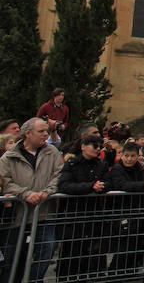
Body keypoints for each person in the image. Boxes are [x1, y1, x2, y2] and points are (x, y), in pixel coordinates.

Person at [0, 118, 61, 283]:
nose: (46, 134)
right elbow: (5, 181)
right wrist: (25, 194)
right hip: (18, 216)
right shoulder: (9, 156)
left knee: (46, 251)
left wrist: (46, 192)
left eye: (47, 131)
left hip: (44, 213)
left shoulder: (52, 152)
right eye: (41, 131)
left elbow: (59, 175)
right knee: (12, 259)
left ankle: (34, 280)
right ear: (28, 133)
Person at [56, 135, 110, 279]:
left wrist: (102, 186)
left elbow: (109, 181)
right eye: (94, 146)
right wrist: (90, 186)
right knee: (71, 255)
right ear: (83, 146)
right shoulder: (72, 163)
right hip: (74, 216)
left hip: (94, 215)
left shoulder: (101, 164)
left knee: (91, 254)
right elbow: (64, 185)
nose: (98, 149)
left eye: (100, 147)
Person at [106, 141, 144, 275]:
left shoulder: (139, 169)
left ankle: (126, 272)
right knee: (123, 248)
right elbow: (121, 185)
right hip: (121, 211)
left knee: (134, 245)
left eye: (133, 156)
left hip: (136, 212)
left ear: (138, 156)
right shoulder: (117, 169)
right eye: (126, 156)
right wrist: (143, 185)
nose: (129, 159)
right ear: (122, 155)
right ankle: (113, 275)